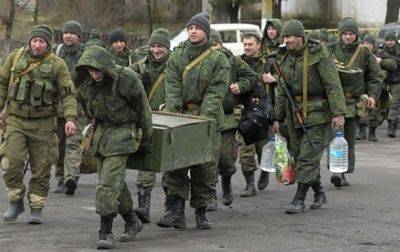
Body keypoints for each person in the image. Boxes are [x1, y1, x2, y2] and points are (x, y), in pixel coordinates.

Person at [157, 14, 230, 230]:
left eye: (198, 28)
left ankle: (201, 212)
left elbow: (215, 93)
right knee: (175, 164)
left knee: (205, 166)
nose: (193, 31)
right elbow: (171, 85)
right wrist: (174, 115)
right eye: (190, 27)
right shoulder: (177, 56)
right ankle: (176, 212)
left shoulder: (218, 60)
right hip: (180, 118)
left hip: (207, 119)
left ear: (206, 32)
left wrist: (203, 121)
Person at [75, 45, 152, 249]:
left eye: (98, 69)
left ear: (106, 66)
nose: (94, 73)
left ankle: (105, 230)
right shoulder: (84, 83)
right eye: (90, 70)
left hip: (123, 133)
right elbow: (86, 110)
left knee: (108, 184)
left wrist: (145, 140)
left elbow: (144, 111)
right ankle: (132, 220)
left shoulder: (126, 79)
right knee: (114, 182)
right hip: (101, 135)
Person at [0, 25, 77, 224]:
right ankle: (15, 201)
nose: (37, 45)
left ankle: (36, 206)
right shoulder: (15, 58)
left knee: (42, 168)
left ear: (48, 43)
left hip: (43, 123)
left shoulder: (57, 65)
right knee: (11, 163)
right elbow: (1, 84)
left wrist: (70, 118)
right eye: (34, 40)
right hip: (15, 119)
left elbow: (67, 94)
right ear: (29, 41)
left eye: (41, 41)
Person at [269, 19, 346, 214]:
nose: (288, 40)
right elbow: (281, 90)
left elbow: (333, 84)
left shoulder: (318, 54)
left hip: (318, 113)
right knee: (299, 156)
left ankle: (299, 199)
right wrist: (277, 118)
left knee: (307, 158)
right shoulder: (283, 57)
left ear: (301, 37)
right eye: (285, 36)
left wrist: (338, 112)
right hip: (293, 114)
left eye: (291, 36)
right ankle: (319, 192)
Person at [328, 17, 381, 187]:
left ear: (356, 34)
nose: (348, 37)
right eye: (345, 33)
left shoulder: (364, 52)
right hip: (334, 102)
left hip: (353, 102)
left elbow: (375, 75)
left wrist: (372, 95)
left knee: (349, 139)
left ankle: (343, 171)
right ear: (340, 34)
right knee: (335, 137)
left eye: (351, 33)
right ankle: (335, 170)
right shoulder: (330, 49)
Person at [209, 29, 258, 207]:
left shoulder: (233, 61)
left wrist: (241, 85)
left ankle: (227, 182)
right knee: (208, 161)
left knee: (227, 158)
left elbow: (252, 77)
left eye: (216, 44)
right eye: (210, 45)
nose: (213, 49)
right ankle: (209, 196)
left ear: (220, 44)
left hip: (227, 118)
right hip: (205, 117)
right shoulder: (199, 62)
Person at [131, 28, 171, 223]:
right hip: (146, 121)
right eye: (153, 46)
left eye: (160, 46)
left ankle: (172, 209)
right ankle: (143, 206)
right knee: (146, 164)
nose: (156, 50)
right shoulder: (139, 67)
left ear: (167, 47)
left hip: (171, 121)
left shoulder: (175, 65)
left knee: (171, 167)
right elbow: (122, 84)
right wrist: (138, 82)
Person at [53, 20, 86, 195]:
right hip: (58, 105)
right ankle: (59, 177)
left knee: (74, 142)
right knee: (59, 144)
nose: (68, 35)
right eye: (66, 33)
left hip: (78, 106)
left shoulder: (86, 54)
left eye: (72, 33)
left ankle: (70, 177)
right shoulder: (56, 52)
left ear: (78, 36)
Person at [238, 32, 269, 197]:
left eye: (250, 44)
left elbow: (283, 81)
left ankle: (265, 170)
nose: (247, 47)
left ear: (258, 45)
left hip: (263, 111)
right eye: (245, 44)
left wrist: (273, 79)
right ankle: (250, 184)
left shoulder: (269, 63)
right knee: (245, 149)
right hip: (244, 110)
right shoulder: (238, 62)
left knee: (262, 148)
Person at [357, 33, 397, 141]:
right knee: (361, 109)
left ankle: (372, 133)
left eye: (369, 43)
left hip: (376, 87)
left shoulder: (380, 54)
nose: (366, 45)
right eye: (364, 43)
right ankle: (361, 132)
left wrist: (380, 61)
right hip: (361, 85)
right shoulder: (358, 54)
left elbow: (392, 64)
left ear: (374, 45)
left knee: (375, 111)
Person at [382, 30, 400, 138]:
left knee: (395, 104)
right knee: (385, 104)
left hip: (397, 81)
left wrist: (387, 57)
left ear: (395, 40)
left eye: (391, 40)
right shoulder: (381, 50)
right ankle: (389, 122)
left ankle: (392, 127)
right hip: (385, 81)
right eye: (387, 40)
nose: (389, 42)